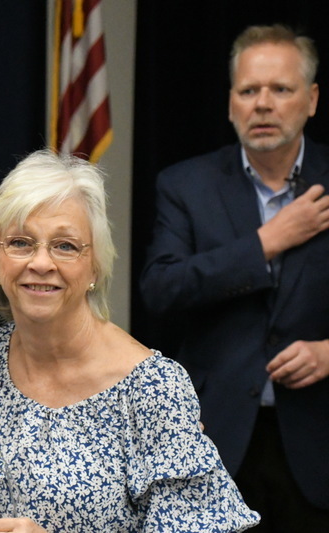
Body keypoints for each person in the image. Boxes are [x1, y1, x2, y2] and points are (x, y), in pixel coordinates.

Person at [0, 150, 259, 532]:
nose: (41, 263)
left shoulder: (152, 388)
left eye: (65, 246)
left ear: (95, 266)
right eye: (20, 242)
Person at [139, 24, 329, 531]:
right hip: (216, 438)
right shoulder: (185, 184)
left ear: (311, 99)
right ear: (230, 103)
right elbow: (160, 287)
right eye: (248, 91)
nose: (262, 104)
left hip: (317, 443)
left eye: (280, 89)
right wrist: (265, 243)